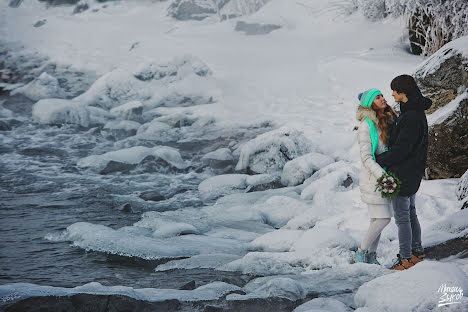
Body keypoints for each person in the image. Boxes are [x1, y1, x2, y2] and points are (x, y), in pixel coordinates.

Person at [375, 75, 432, 270]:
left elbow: (402, 150)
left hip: (405, 172)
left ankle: (405, 258)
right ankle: (417, 252)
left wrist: (379, 160)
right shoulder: (413, 111)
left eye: (394, 91)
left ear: (403, 93)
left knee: (402, 218)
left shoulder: (411, 117)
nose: (391, 94)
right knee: (411, 213)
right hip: (412, 171)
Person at [354, 88, 397, 265]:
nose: (382, 99)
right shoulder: (366, 126)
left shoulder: (384, 122)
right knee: (384, 219)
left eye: (382, 96)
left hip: (383, 177)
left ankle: (371, 257)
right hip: (374, 179)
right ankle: (361, 253)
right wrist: (383, 176)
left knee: (376, 220)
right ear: (370, 103)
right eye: (377, 97)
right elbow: (366, 157)